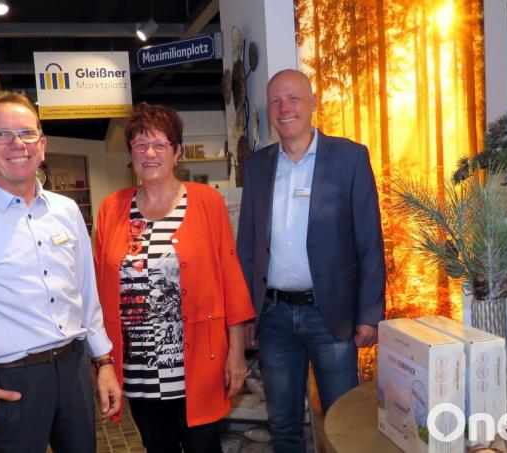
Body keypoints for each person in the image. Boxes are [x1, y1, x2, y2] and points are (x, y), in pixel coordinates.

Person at [0, 91, 121, 452]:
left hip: (73, 371)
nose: (17, 143)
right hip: (9, 382)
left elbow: (86, 295)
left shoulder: (67, 210)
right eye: (1, 134)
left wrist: (103, 361)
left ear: (42, 145)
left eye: (27, 133)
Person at [237, 69, 386, 452]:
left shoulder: (349, 158)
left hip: (329, 315)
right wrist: (245, 314)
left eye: (293, 98)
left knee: (342, 421)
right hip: (273, 317)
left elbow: (369, 239)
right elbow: (248, 246)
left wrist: (370, 312)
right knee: (283, 423)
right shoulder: (257, 166)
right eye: (275, 101)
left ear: (314, 103)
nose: (284, 108)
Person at [93, 102, 255, 453]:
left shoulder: (206, 203)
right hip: (139, 374)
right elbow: (96, 292)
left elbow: (231, 279)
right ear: (131, 153)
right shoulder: (111, 209)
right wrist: (104, 363)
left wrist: (236, 351)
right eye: (139, 145)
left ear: (177, 152)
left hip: (200, 368)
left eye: (160, 144)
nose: (149, 153)